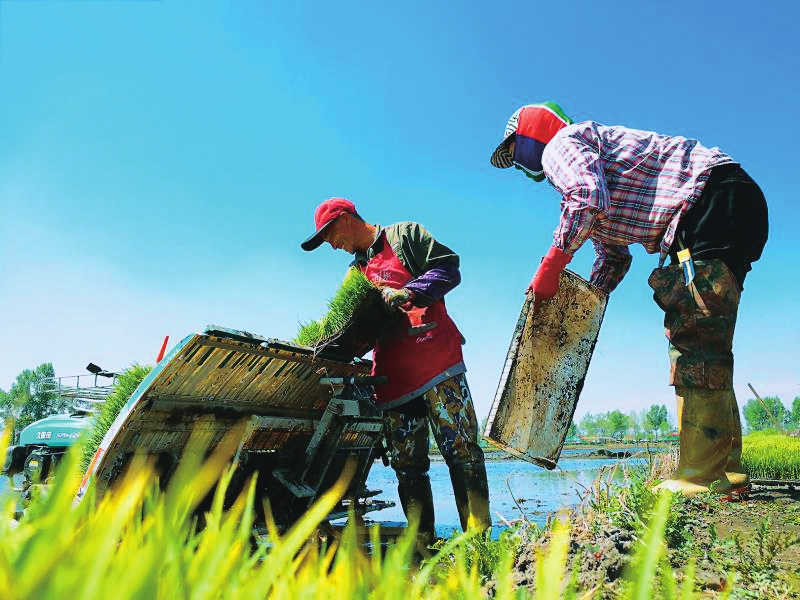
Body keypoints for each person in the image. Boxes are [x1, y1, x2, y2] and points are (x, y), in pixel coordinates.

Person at [490, 102, 768, 496]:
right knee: (708, 337)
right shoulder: (595, 159)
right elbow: (613, 255)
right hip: (728, 201)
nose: (518, 162)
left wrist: (550, 266)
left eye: (514, 149)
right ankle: (727, 472)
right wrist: (584, 301)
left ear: (531, 134)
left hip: (706, 201)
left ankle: (699, 476)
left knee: (694, 336)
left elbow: (585, 198)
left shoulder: (562, 143)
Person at [301, 197, 491, 540]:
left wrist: (409, 292)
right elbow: (348, 327)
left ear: (344, 219)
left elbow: (449, 268)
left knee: (462, 452)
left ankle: (479, 543)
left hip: (437, 366)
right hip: (392, 381)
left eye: (329, 234)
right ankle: (424, 546)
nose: (331, 244)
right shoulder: (354, 275)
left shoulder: (405, 236)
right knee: (408, 467)